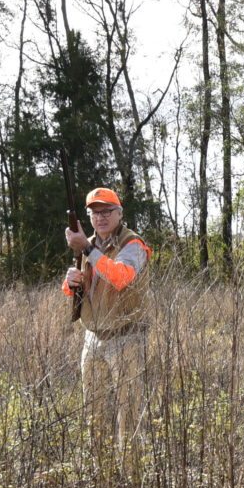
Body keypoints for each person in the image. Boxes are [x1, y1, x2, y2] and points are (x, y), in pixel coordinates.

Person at [61, 187, 151, 449]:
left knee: (129, 416)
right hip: (92, 338)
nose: (100, 217)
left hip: (127, 338)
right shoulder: (88, 244)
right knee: (94, 413)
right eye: (94, 212)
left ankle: (132, 480)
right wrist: (69, 282)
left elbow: (120, 277)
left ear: (119, 213)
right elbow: (76, 289)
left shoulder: (132, 244)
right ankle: (101, 477)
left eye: (107, 211)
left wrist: (87, 249)